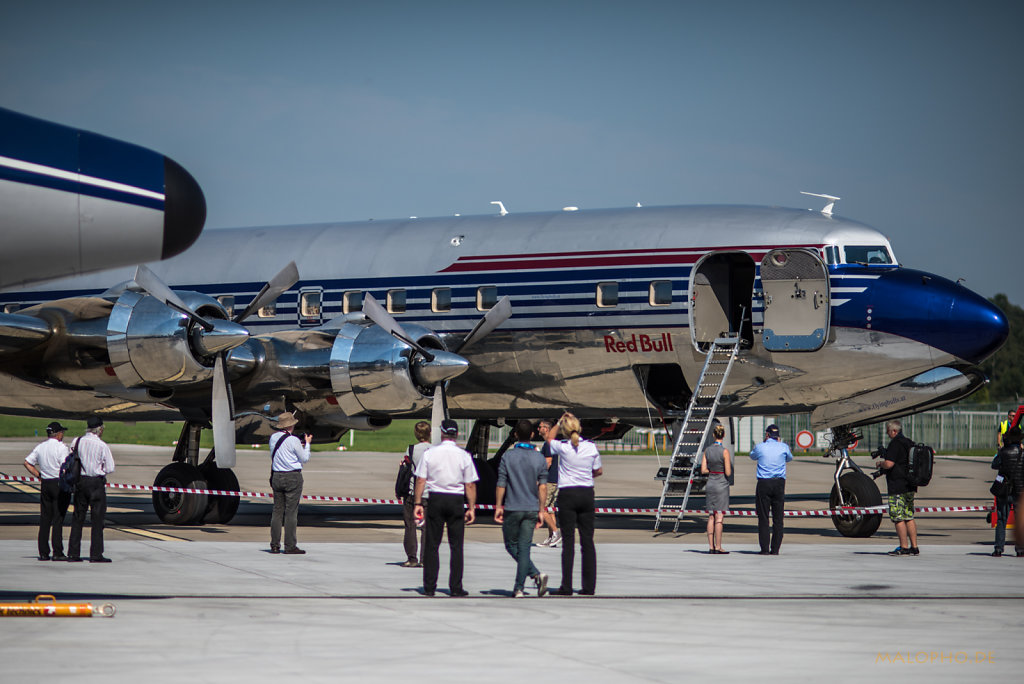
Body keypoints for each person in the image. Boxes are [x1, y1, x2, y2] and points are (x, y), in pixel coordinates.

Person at [413, 419, 478, 597]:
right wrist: (471, 507)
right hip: (456, 500)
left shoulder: (430, 453)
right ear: (456, 434)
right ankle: (456, 587)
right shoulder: (464, 455)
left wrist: (417, 503)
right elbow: (470, 484)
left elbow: (420, 479)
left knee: (432, 545)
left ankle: (429, 587)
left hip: (436, 499)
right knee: (456, 546)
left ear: (441, 433)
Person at [546, 412, 602, 595]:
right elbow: (598, 471)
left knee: (568, 543)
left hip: (568, 494)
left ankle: (567, 586)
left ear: (565, 430)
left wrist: (558, 421)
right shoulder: (591, 447)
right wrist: (586, 475)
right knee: (587, 541)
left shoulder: (563, 447)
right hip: (586, 493)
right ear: (580, 429)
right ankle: (589, 587)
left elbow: (549, 438)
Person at [495, 419, 550, 597]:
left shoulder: (508, 456)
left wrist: (498, 506)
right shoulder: (539, 457)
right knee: (524, 547)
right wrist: (541, 510)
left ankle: (524, 583)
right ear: (532, 435)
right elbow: (543, 486)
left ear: (516, 435)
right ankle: (529, 579)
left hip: (513, 506)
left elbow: (501, 483)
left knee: (511, 545)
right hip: (531, 508)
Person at [67, 416, 116, 563]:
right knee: (97, 520)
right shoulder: (102, 446)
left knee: (77, 519)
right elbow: (110, 468)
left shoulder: (77, 441)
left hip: (81, 482)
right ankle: (96, 554)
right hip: (96, 483)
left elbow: (71, 457)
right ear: (99, 430)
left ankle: (73, 553)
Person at [23, 421, 71, 561]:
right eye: (62, 432)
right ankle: (57, 552)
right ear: (58, 434)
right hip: (58, 483)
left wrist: (39, 475)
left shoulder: (40, 447)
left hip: (45, 483)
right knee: (58, 518)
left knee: (45, 518)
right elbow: (65, 465)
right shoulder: (61, 447)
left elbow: (27, 463)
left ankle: (43, 552)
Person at [269, 411, 311, 555]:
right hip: (292, 477)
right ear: (291, 426)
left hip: (277, 476)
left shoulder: (273, 438)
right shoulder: (293, 440)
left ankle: (274, 545)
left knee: (277, 511)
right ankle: (290, 545)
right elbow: (304, 458)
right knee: (291, 513)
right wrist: (307, 445)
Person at [877, 419, 919, 556]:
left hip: (897, 486)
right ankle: (914, 547)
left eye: (888, 431)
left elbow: (889, 464)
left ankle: (904, 547)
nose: (887, 434)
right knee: (909, 516)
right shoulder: (908, 442)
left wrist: (880, 464)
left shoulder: (895, 444)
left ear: (894, 431)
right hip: (909, 485)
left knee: (898, 518)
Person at [749, 424, 793, 555]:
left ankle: (764, 549)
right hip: (779, 484)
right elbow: (789, 458)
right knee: (778, 519)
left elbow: (752, 456)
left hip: (764, 483)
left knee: (763, 518)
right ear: (778, 436)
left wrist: (763, 443)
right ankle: (775, 549)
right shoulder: (784, 447)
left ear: (767, 435)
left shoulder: (760, 446)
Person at [400, 421, 431, 567]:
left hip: (413, 492)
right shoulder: (434, 450)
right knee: (427, 528)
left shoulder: (411, 450)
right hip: (430, 493)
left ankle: (412, 558)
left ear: (416, 434)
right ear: (430, 433)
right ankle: (426, 558)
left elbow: (405, 467)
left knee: (410, 526)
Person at [990, 426, 1024, 557]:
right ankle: (1020, 549)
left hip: (1004, 490)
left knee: (1001, 519)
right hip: (1019, 491)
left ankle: (998, 548)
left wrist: (1000, 451)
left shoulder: (1004, 452)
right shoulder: (1023, 453)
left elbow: (994, 465)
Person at [700, 423, 732, 554]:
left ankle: (711, 546)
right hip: (721, 484)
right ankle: (719, 546)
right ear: (723, 435)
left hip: (711, 483)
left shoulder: (707, 450)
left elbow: (703, 470)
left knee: (711, 516)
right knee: (719, 516)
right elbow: (728, 472)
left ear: (713, 435)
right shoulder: (724, 451)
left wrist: (711, 470)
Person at [535, 419, 561, 547]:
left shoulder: (548, 444)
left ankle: (556, 533)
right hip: (554, 480)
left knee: (542, 508)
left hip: (549, 481)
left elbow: (548, 462)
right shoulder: (551, 443)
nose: (538, 429)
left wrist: (539, 478)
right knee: (550, 510)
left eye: (540, 427)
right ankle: (552, 538)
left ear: (546, 429)